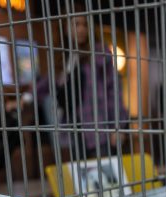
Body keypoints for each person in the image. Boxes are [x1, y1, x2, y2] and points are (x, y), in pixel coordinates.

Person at [32, 4, 128, 161]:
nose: (81, 29)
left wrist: (118, 127)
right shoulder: (63, 58)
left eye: (85, 24)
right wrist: (25, 98)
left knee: (103, 171)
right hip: (73, 131)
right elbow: (45, 84)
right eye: (76, 24)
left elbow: (114, 90)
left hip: (99, 129)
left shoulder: (99, 53)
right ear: (65, 28)